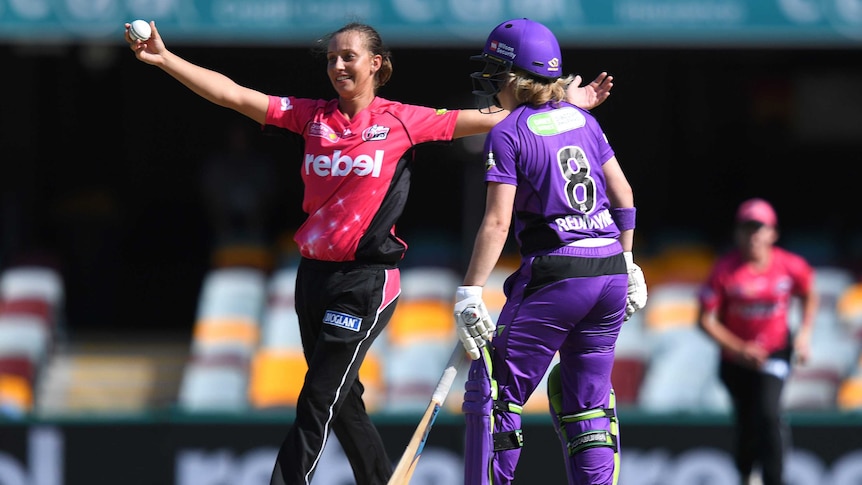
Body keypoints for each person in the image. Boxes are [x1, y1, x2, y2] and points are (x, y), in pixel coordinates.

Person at [124, 20, 614, 485]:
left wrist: (563, 99)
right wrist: (165, 59)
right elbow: (233, 95)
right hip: (312, 277)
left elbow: (506, 114)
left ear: (377, 64)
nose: (338, 65)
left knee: (318, 396)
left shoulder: (403, 120)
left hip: (366, 281)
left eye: (349, 56)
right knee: (343, 401)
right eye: (332, 58)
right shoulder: (310, 116)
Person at [452, 18, 647, 485]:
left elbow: (498, 222)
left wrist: (470, 290)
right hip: (609, 275)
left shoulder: (508, 131)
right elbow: (624, 196)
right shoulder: (585, 120)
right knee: (587, 404)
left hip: (558, 274)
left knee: (496, 393)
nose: (491, 83)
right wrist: (628, 261)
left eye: (496, 73)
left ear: (511, 77)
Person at [697, 197, 818, 485]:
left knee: (769, 413)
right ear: (738, 233)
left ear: (772, 233)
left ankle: (774, 478)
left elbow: (809, 293)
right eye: (747, 228)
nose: (753, 236)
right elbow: (704, 320)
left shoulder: (790, 265)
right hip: (735, 363)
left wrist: (804, 333)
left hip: (774, 353)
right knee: (747, 422)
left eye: (759, 228)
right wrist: (740, 350)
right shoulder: (725, 271)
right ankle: (745, 472)